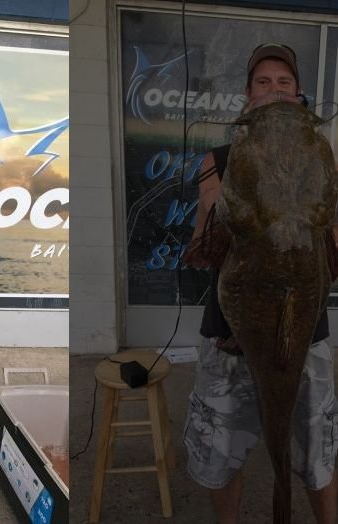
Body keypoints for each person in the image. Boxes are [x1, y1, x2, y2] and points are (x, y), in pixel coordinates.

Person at [183, 42, 338, 524]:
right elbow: (199, 250)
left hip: (303, 326)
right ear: (248, 97)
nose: (274, 89)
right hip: (230, 328)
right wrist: (213, 204)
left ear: (299, 96)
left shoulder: (320, 153)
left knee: (318, 447)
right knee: (220, 450)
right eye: (263, 82)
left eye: (284, 82)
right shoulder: (219, 156)